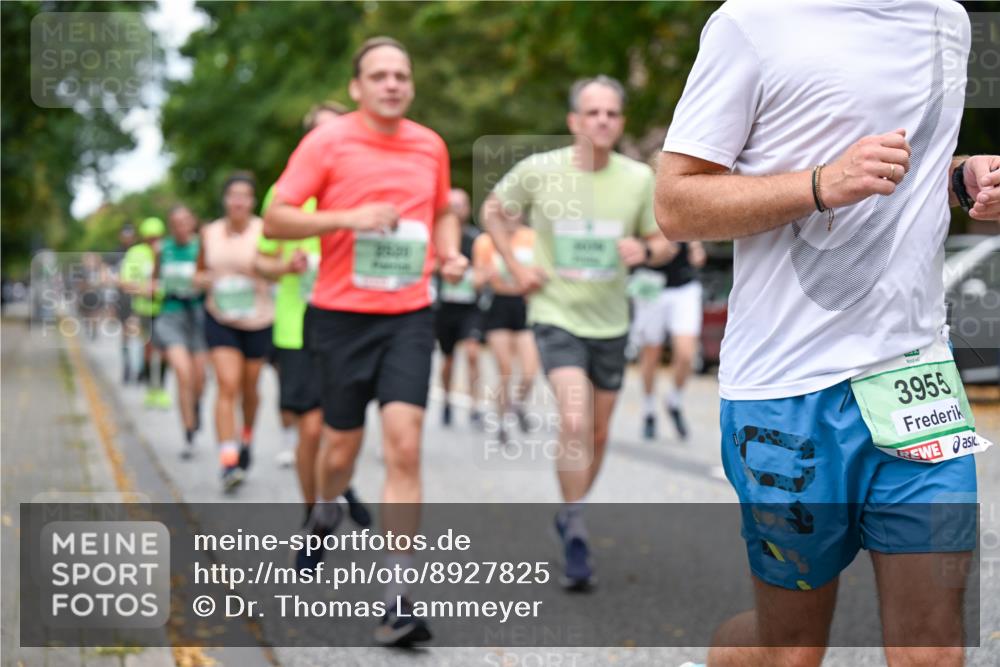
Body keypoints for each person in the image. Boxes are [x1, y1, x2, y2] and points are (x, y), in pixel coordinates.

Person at [655, 2, 999, 665]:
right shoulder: (751, 23)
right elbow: (676, 203)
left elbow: (910, 160)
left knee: (933, 651)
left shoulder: (948, 20)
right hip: (787, 390)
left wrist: (957, 177)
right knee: (788, 648)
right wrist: (820, 185)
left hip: (916, 376)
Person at [264, 37, 466, 645]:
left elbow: (441, 211)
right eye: (379, 75)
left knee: (404, 448)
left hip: (408, 314)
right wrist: (344, 219)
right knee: (339, 451)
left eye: (401, 74)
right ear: (357, 87)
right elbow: (278, 217)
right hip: (339, 316)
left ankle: (398, 598)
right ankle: (324, 511)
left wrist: (450, 251)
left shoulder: (430, 144)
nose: (392, 84)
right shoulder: (326, 141)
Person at [481, 75, 672, 590]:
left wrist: (647, 251)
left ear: (621, 122)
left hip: (611, 321)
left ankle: (571, 512)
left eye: (611, 113)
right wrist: (516, 270)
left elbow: (665, 240)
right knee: (573, 416)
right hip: (555, 313)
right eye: (593, 113)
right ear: (573, 122)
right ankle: (576, 521)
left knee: (599, 432)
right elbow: (493, 213)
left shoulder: (638, 178)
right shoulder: (540, 171)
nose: (603, 121)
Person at [256, 100, 370, 528]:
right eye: (322, 133)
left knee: (342, 428)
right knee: (310, 428)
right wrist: (284, 267)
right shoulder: (286, 195)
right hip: (298, 325)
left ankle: (338, 487)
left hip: (350, 322)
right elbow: (261, 261)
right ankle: (315, 515)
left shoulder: (364, 188)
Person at [196, 172, 274, 491]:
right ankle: (228, 461)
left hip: (258, 318)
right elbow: (199, 272)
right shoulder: (210, 233)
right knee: (227, 384)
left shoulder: (265, 230)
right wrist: (202, 280)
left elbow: (276, 268)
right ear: (226, 200)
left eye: (245, 195)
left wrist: (265, 269)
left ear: (253, 201)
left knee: (250, 390)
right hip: (221, 317)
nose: (239, 201)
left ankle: (246, 439)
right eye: (233, 195)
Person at [628, 241, 706, 441]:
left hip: (684, 286)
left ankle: (674, 401)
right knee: (650, 353)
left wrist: (696, 250)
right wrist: (654, 251)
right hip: (651, 283)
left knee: (686, 354)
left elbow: (696, 244)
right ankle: (649, 410)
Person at [471, 221, 538, 443]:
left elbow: (543, 272)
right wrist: (486, 275)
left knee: (529, 371)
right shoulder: (485, 241)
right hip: (498, 306)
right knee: (505, 369)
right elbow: (476, 282)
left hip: (524, 305)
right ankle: (502, 422)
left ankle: (516, 405)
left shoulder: (531, 238)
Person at [154, 204, 208, 458]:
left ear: (193, 222)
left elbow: (211, 277)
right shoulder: (162, 250)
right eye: (176, 223)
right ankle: (188, 433)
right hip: (171, 314)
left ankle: (195, 408)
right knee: (183, 374)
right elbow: (155, 281)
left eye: (185, 221)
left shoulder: (203, 247)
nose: (181, 227)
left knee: (199, 379)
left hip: (198, 315)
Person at [434, 187, 486, 428]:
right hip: (445, 307)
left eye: (461, 204)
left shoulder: (476, 239)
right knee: (448, 360)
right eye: (451, 204)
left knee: (473, 353)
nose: (456, 209)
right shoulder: (436, 237)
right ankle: (446, 400)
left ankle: (476, 406)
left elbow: (488, 268)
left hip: (470, 307)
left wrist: (480, 278)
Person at [120, 217, 170, 409]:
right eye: (150, 238)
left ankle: (162, 389)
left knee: (165, 350)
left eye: (157, 238)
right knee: (149, 349)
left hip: (166, 308)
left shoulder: (168, 250)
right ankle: (151, 389)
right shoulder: (136, 253)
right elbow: (125, 282)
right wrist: (143, 289)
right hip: (144, 309)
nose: (153, 242)